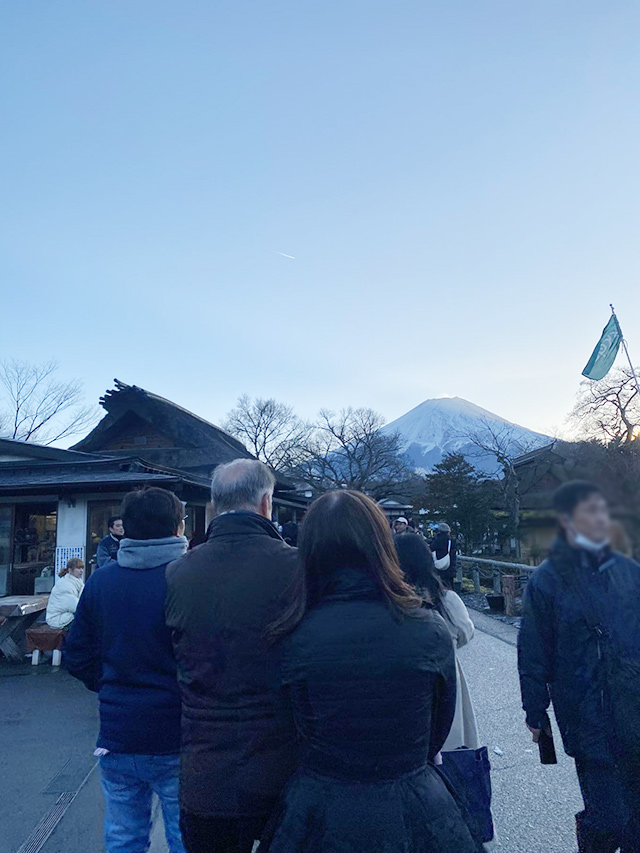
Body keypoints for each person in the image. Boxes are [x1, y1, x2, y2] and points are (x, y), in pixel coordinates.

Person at [261, 490, 481, 853]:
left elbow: (287, 727)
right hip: (416, 800)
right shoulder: (429, 629)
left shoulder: (289, 636)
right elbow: (436, 732)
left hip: (317, 806)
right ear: (381, 544)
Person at [165, 459, 299, 853]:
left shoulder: (179, 572)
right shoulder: (295, 566)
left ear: (213, 506)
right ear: (266, 503)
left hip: (204, 769)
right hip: (282, 765)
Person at [64, 488, 188, 853]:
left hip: (118, 732)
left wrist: (110, 686)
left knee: (123, 836)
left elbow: (78, 655)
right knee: (185, 836)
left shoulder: (102, 581)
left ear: (124, 529)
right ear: (178, 527)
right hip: (178, 730)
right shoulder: (187, 578)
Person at [518, 481, 640, 853]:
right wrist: (535, 712)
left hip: (633, 706)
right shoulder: (547, 581)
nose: (600, 519)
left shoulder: (628, 571)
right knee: (606, 818)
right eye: (590, 512)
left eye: (603, 510)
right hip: (585, 712)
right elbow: (534, 651)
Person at [394, 533, 480, 751]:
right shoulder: (446, 600)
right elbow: (466, 632)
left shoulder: (389, 603)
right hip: (446, 684)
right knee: (451, 751)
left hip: (401, 694)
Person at [45, 558, 84, 630]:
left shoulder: (76, 582)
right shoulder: (65, 585)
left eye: (82, 568)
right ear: (70, 570)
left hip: (67, 616)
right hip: (57, 619)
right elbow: (77, 607)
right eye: (78, 568)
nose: (81, 571)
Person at [431, 521, 457, 588]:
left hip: (441, 564)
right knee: (450, 584)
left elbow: (431, 548)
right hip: (450, 564)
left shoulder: (438, 540)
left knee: (443, 584)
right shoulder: (451, 540)